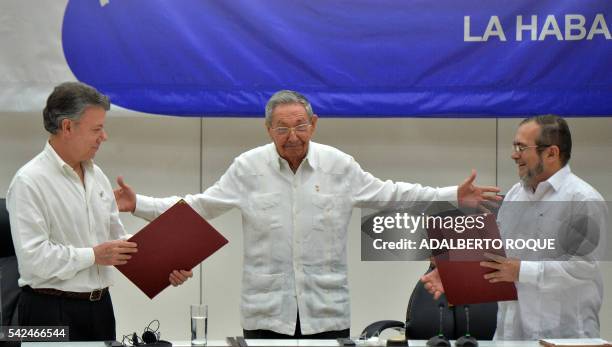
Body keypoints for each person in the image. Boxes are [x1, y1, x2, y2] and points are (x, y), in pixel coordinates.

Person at [114, 90, 500, 339]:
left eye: (300, 125)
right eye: (282, 128)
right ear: (268, 130)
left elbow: (390, 194)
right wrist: (139, 204)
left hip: (328, 313)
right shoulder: (248, 168)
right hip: (266, 315)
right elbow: (202, 207)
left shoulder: (339, 165)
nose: (293, 135)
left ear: (313, 125)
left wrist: (452, 194)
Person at [6, 82, 193, 341]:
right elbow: (33, 260)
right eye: (97, 129)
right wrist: (93, 255)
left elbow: (118, 244)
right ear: (67, 127)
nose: (103, 137)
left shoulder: (97, 176)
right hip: (48, 311)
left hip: (100, 309)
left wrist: (166, 267)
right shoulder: (29, 182)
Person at [421, 115, 607, 339]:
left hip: (564, 336)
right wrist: (454, 274)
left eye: (521, 147)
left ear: (551, 153)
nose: (513, 154)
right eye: (514, 146)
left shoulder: (583, 200)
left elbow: (584, 267)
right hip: (510, 335)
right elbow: (498, 257)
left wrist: (521, 271)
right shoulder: (514, 197)